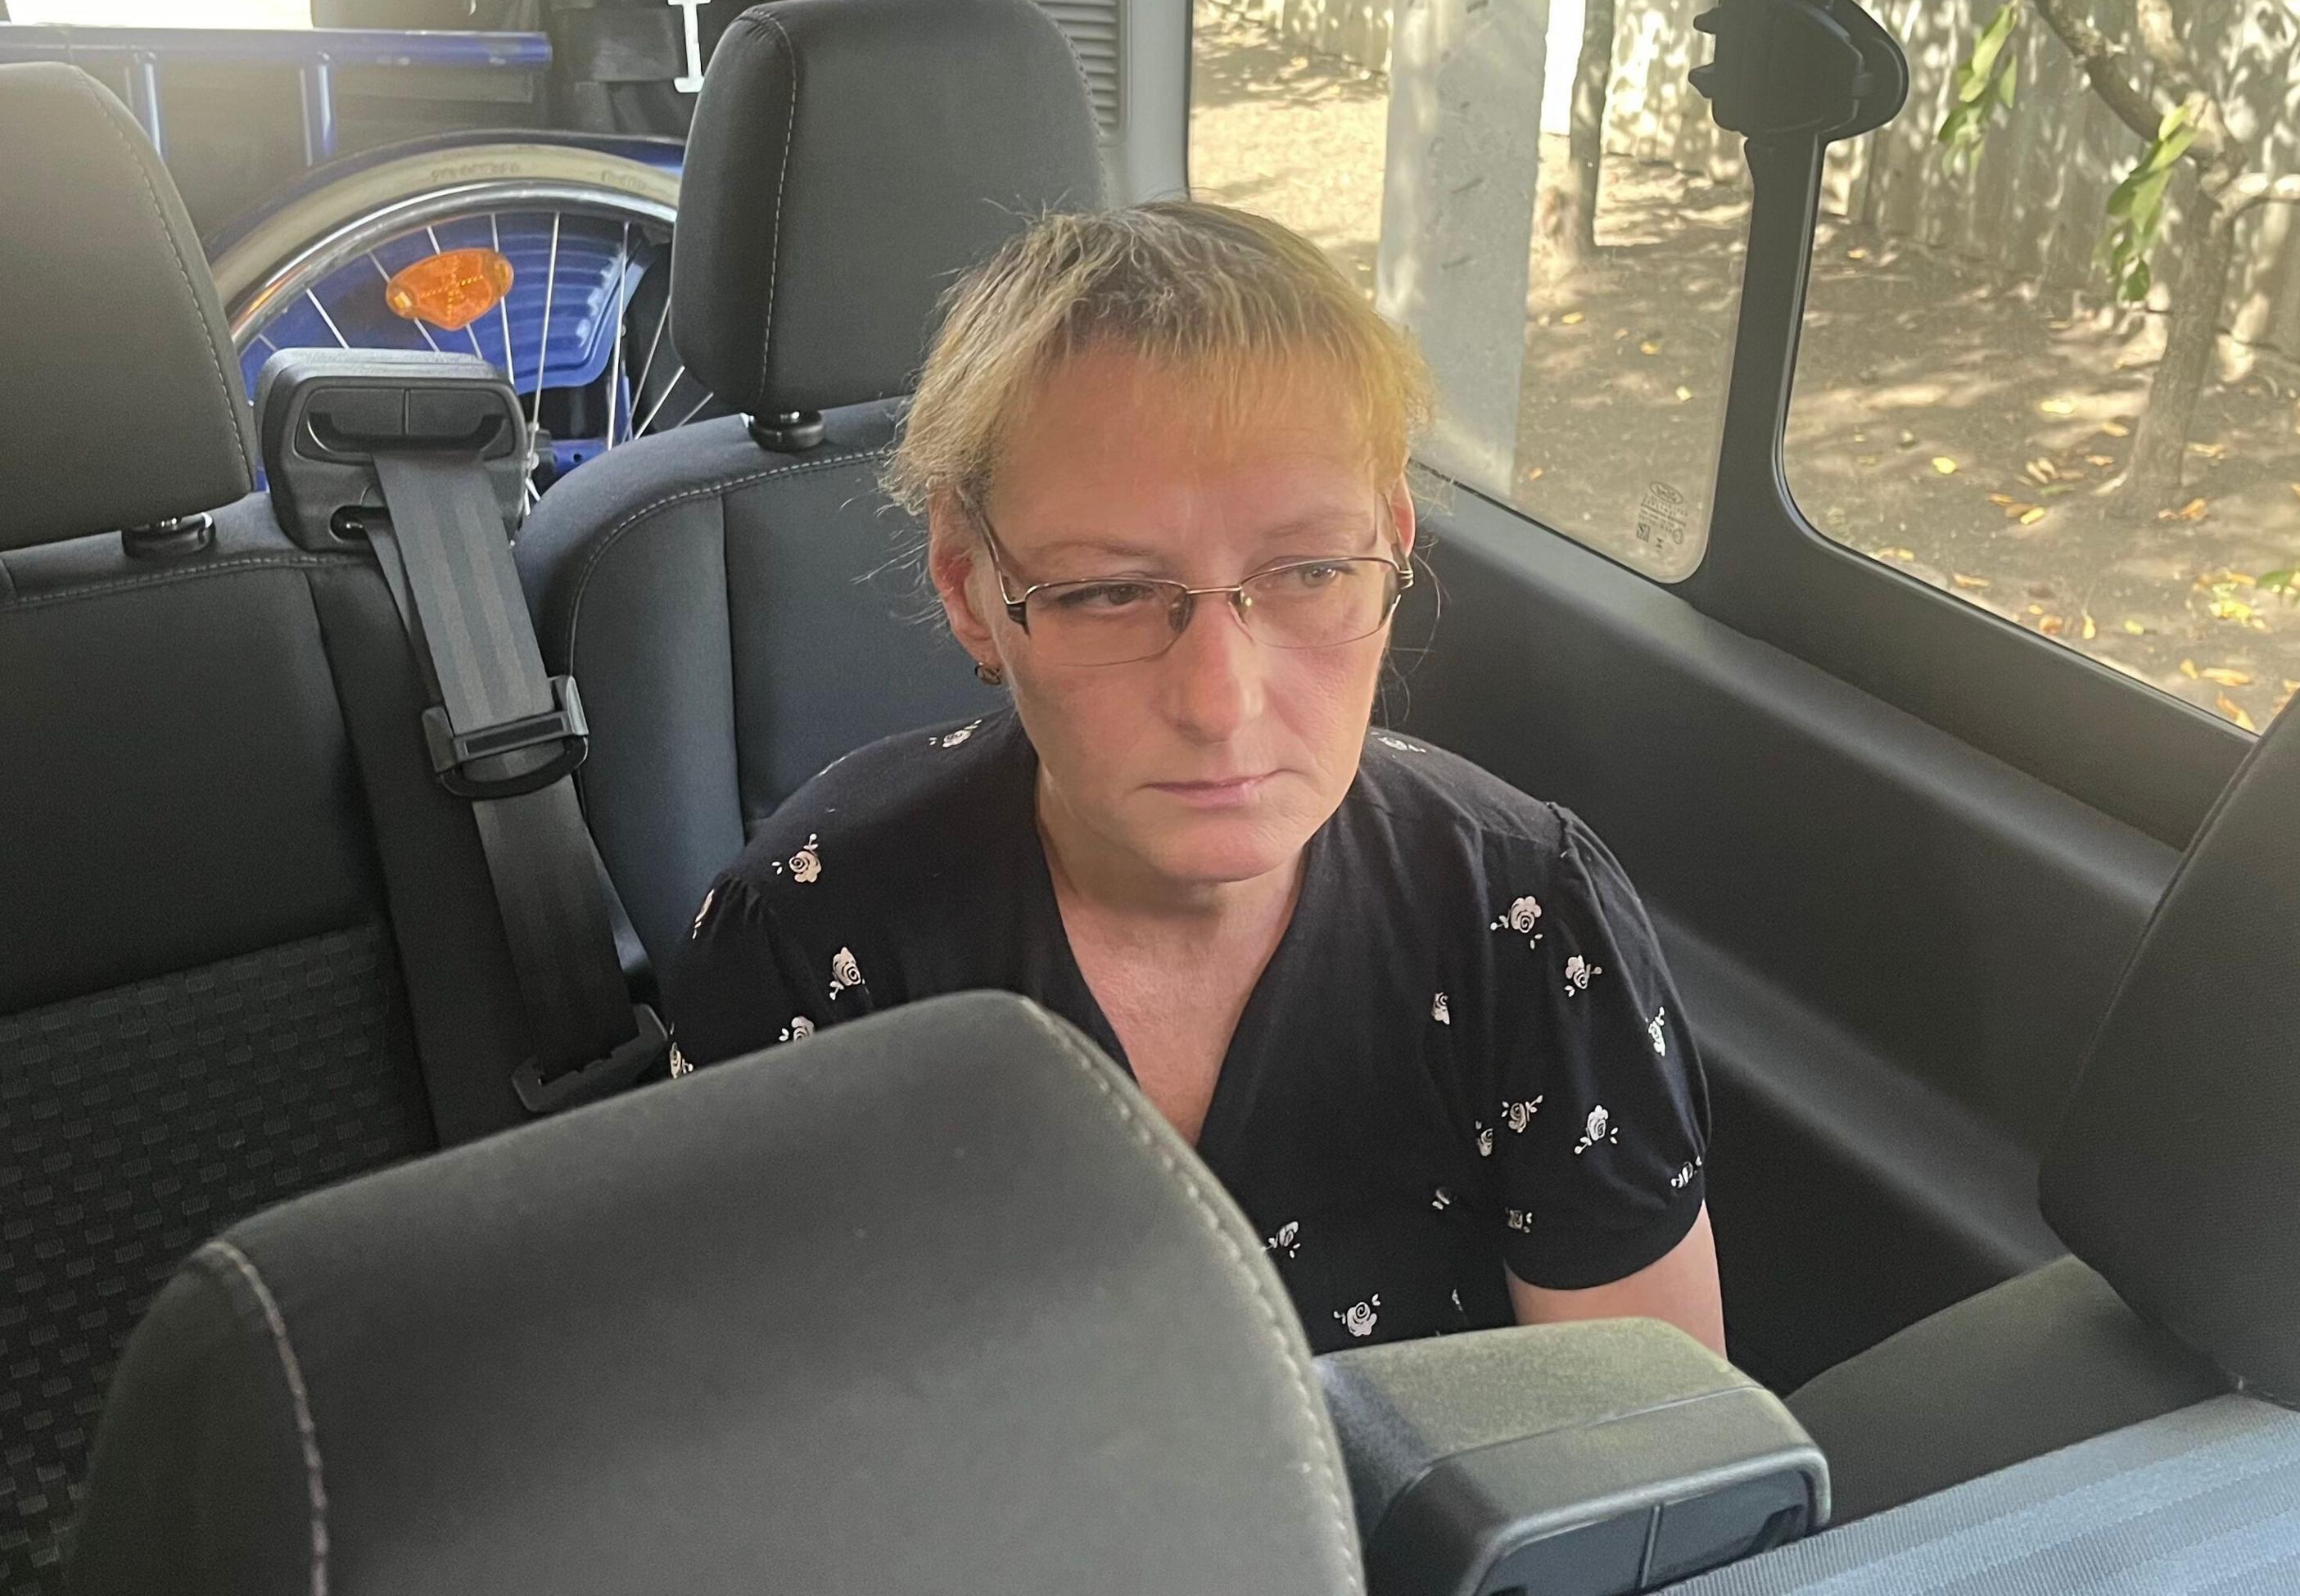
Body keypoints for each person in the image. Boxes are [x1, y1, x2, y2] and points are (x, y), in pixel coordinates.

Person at [663, 201, 1720, 1355]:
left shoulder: (1530, 923)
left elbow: (1637, 1467)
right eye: (1107, 592)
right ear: (970, 588)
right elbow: (773, 1467)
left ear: (1393, 542)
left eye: (1310, 569)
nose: (1222, 703)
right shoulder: (813, 950)